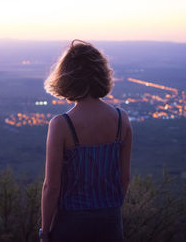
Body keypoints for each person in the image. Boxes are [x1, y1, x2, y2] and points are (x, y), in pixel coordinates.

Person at [40, 39, 132, 242]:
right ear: (101, 75)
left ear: (67, 78)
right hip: (111, 223)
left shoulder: (61, 125)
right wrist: (108, 210)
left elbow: (51, 187)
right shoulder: (121, 120)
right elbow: (124, 179)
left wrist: (45, 232)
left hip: (71, 225)